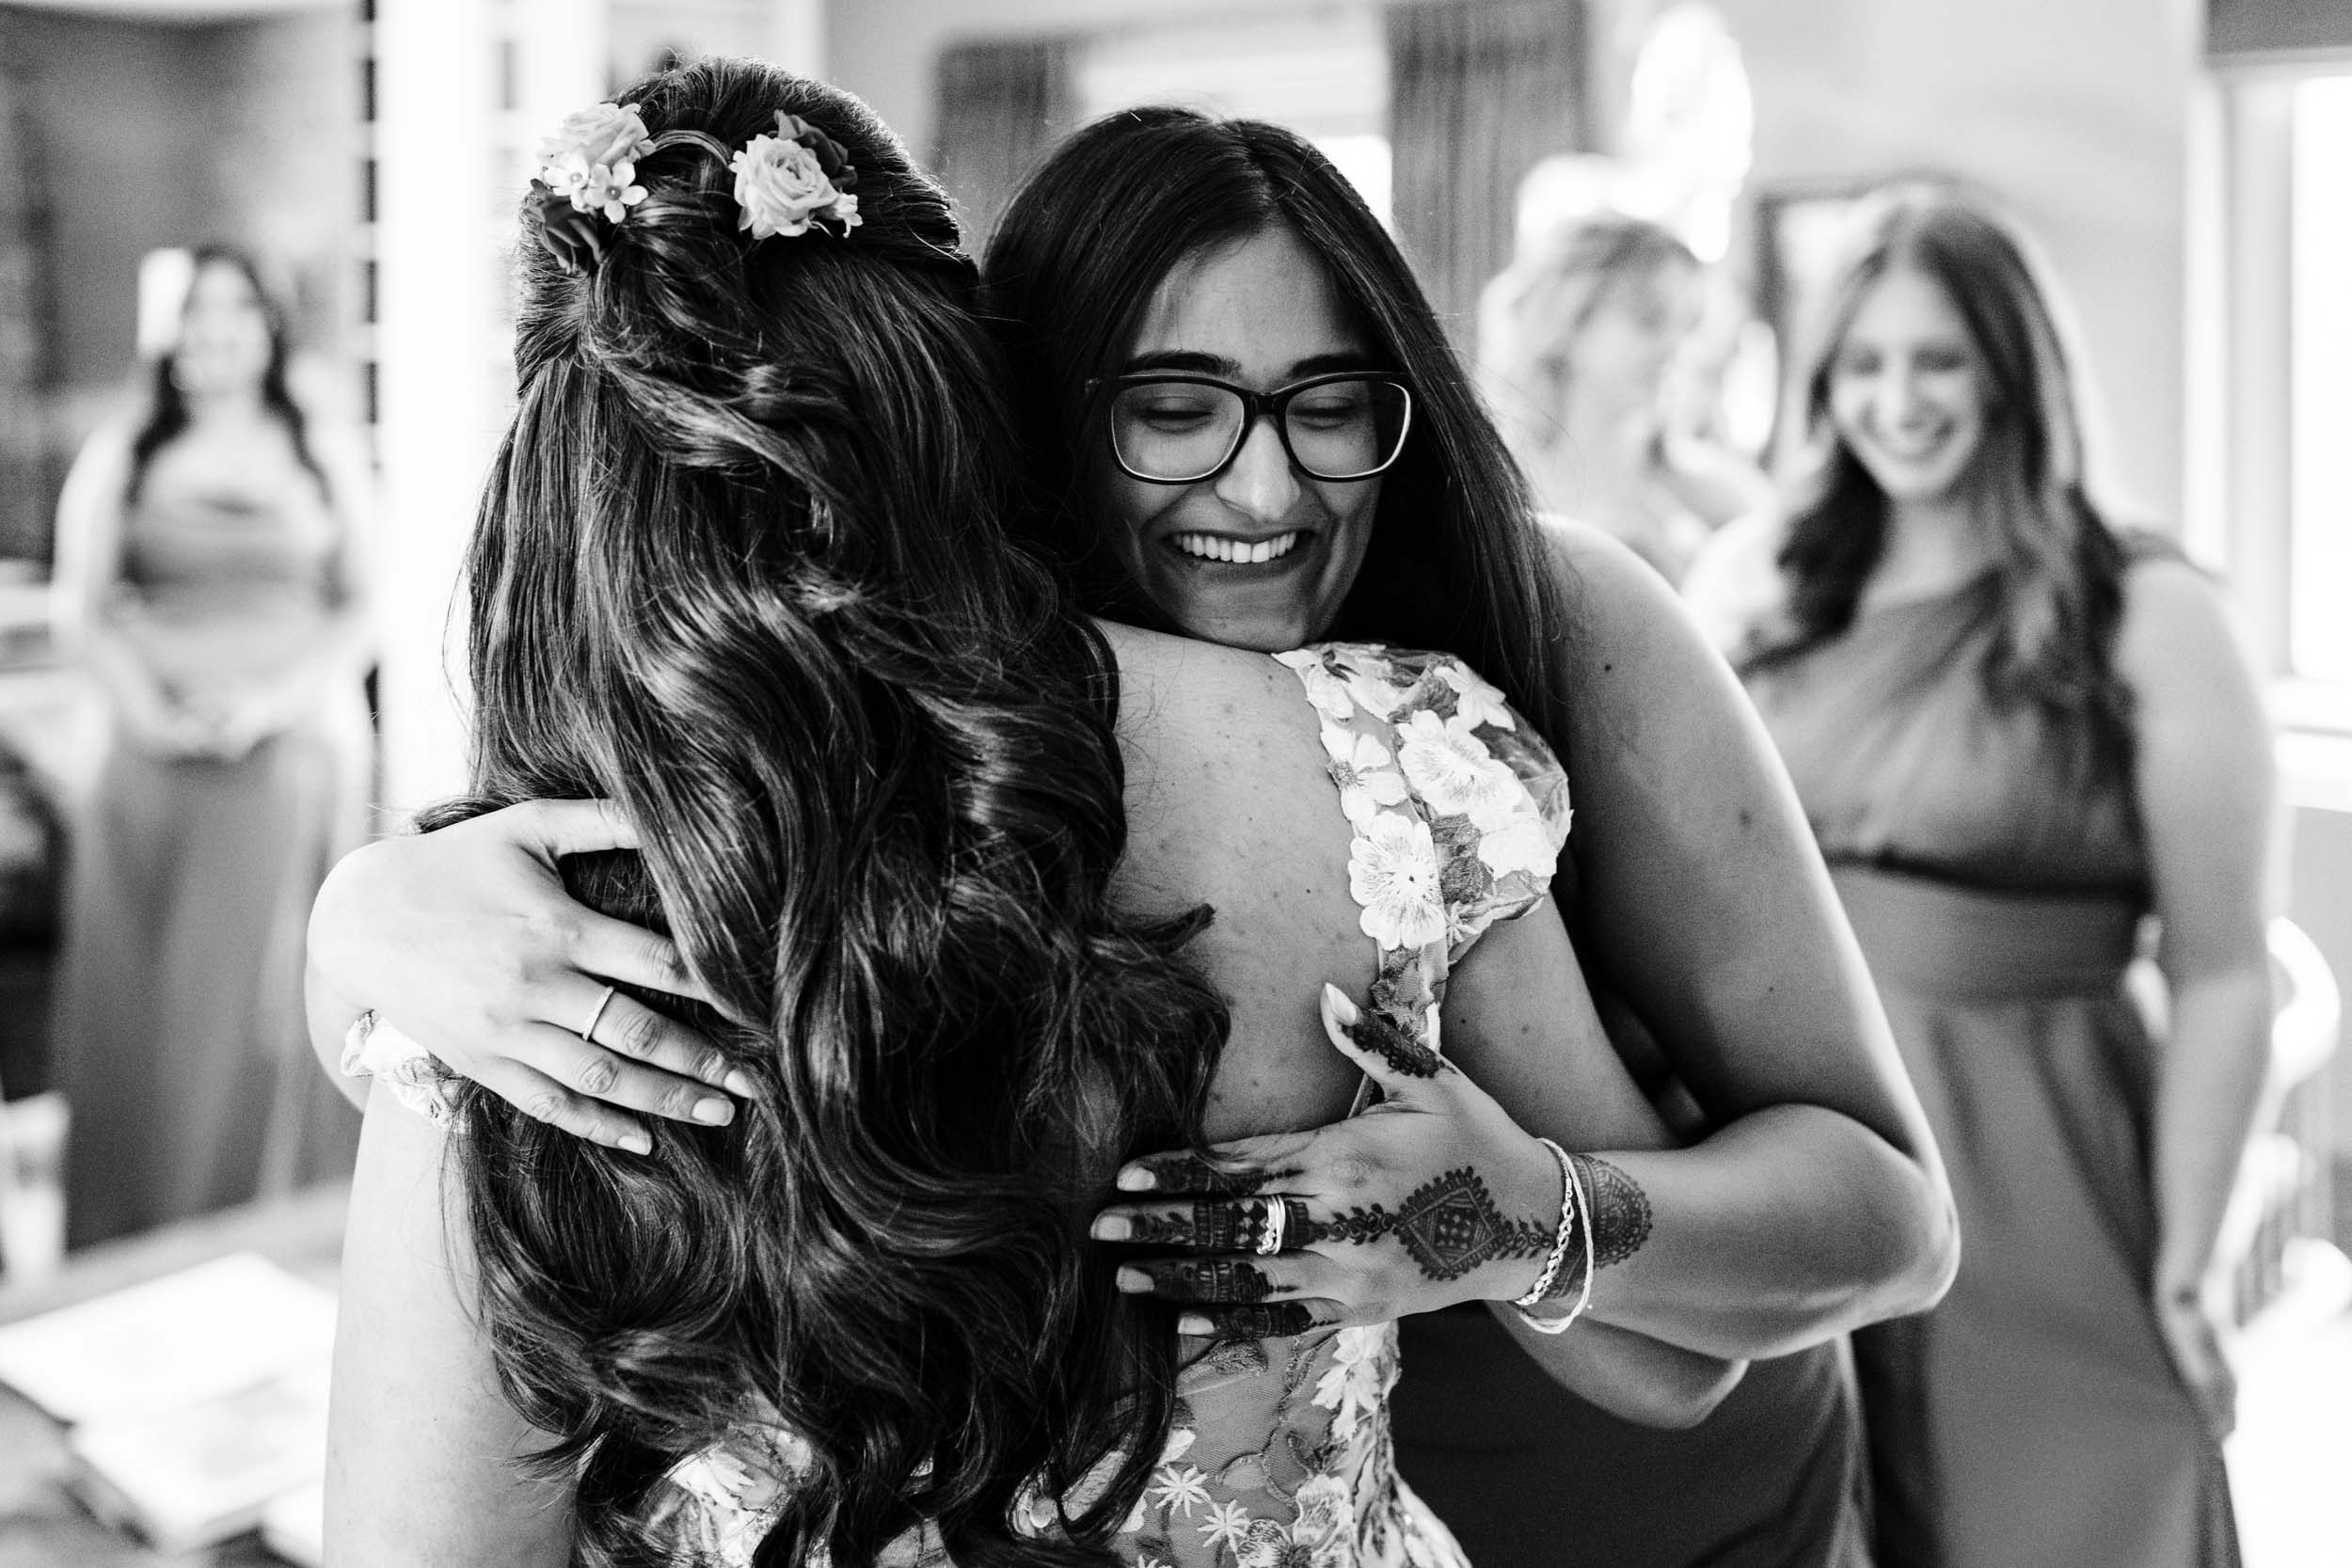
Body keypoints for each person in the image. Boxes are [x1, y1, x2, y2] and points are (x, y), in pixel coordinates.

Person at [310, 107, 1962, 1568]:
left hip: (1647, 1457)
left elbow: (1870, 1230)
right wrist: (366, 916)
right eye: (1172, 409)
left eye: (1332, 403)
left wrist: (1517, 1214)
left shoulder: (1530, 647)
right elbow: (440, 1074)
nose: (1266, 489)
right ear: (1007, 431)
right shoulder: (880, 775)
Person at [1684, 184, 2273, 1568]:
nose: (1899, 400)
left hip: (2044, 1162)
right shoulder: (1760, 582)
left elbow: (2224, 964)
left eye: (1938, 358)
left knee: (2080, 1499)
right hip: (1794, 1138)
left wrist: (2191, 1254)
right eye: (1865, 362)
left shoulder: (2147, 606)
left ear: (2014, 368)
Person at [51, 245, 370, 1246]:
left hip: (285, 749)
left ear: (269, 326)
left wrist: (269, 703)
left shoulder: (318, 444)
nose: (217, 330)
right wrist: (146, 709)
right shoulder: (127, 447)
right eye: (197, 311)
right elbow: (82, 605)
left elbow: (365, 603)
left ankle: (254, 1223)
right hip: (150, 755)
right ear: (170, 331)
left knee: (254, 1010)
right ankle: (132, 1226)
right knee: (141, 1007)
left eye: (238, 310)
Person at [1477, 212, 1771, 585]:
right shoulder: (1489, 487)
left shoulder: (1722, 497)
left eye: (1686, 324)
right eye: (1648, 318)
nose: (1673, 347)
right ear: (1568, 317)